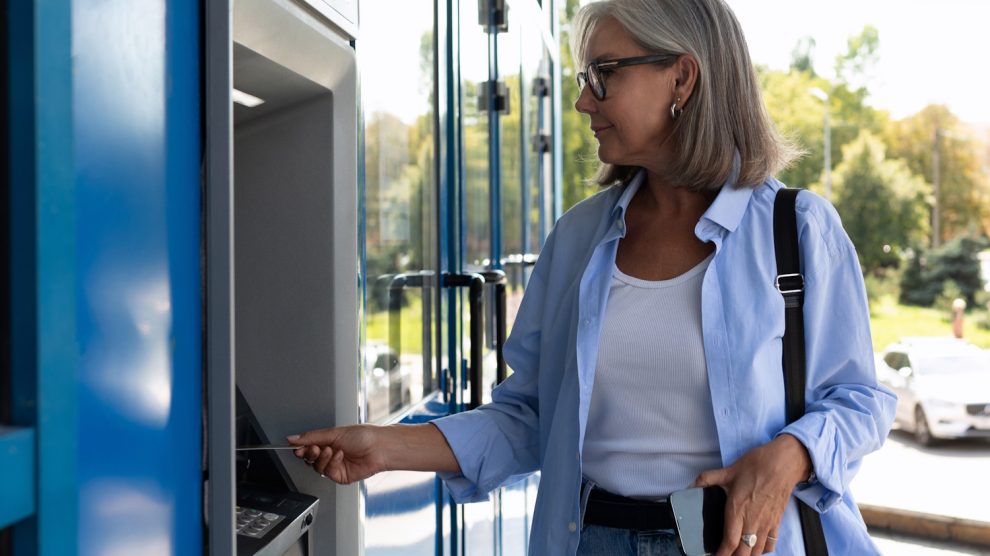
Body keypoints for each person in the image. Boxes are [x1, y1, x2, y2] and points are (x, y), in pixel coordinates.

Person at [288, 0, 897, 554]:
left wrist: (791, 455)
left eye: (605, 73)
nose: (583, 101)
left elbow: (861, 400)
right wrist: (385, 447)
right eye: (584, 78)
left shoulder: (797, 230)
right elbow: (531, 417)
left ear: (681, 78)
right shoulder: (578, 238)